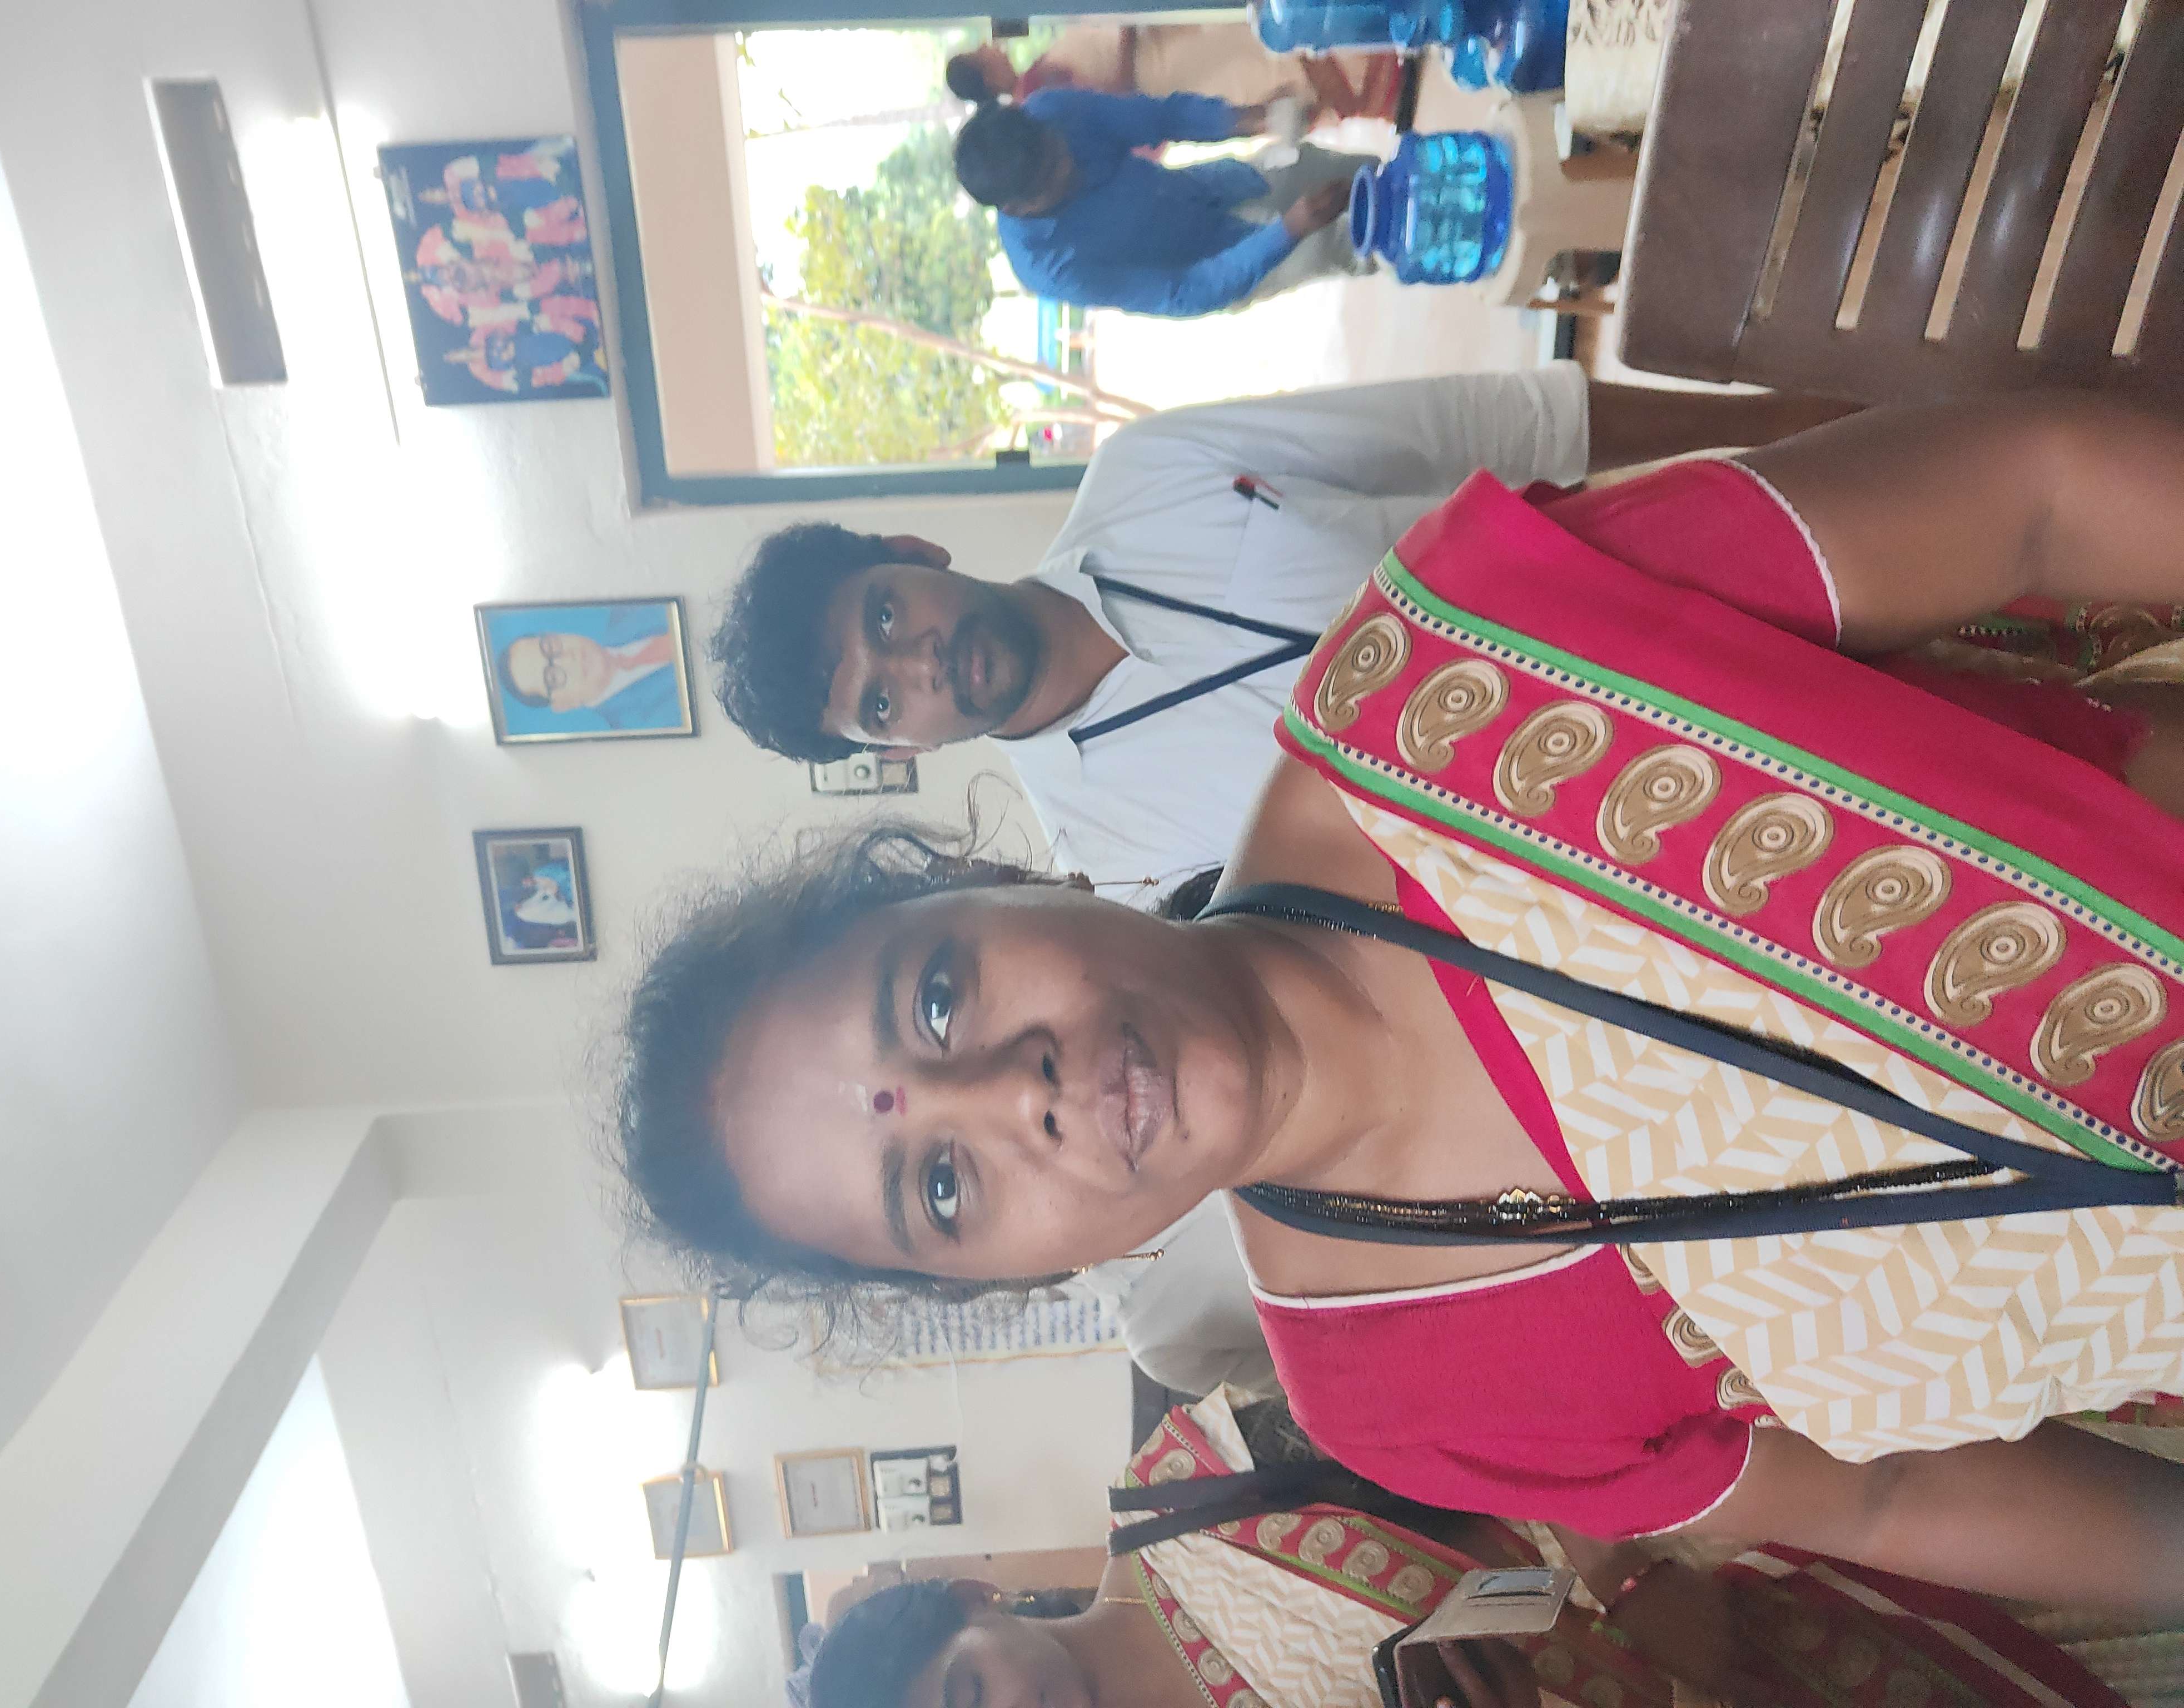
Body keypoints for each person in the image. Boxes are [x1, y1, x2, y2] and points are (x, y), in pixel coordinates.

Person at [626, 393, 2184, 1612]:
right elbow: (1889, 1494)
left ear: (994, 876)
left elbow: (2032, 496)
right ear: (1013, 1276)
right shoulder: (1400, 1394)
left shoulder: (1456, 673)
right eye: (940, 1186)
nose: (1011, 1091)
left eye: (936, 997)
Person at [709, 373, 1858, 894]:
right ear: (897, 749)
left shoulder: (1144, 474)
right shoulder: (1113, 863)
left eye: (883, 615)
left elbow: (1483, 422)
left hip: (1699, 568)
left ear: (911, 554)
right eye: (878, 703)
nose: (914, 664)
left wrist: (1801, 417)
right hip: (1675, 822)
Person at [806, 1387, 2151, 1708]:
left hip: (1795, 1559)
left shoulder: (1187, 1490)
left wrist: (1624, 1580)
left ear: (973, 1596)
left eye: (966, 1690)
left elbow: (1490, 1405)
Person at [953, 91, 1377, 317]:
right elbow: (1182, 291)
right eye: (1052, 176)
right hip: (1224, 263)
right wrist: (1290, 230)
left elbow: (1161, 117)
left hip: (1212, 188)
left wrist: (1256, 119)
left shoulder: (1051, 111)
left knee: (1335, 168)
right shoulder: (1049, 266)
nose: (1068, 164)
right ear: (1017, 208)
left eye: (1057, 148)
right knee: (1337, 245)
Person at [947, 28, 1399, 126]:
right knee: (1269, 63)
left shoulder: (1035, 83)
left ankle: (1375, 73)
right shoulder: (1037, 95)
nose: (992, 47)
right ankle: (1375, 89)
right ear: (986, 77)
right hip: (1163, 73)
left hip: (1163, 51)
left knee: (1262, 52)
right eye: (981, 54)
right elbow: (1115, 105)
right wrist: (1126, 30)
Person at [500, 622, 683, 729]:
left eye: (550, 647)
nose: (568, 659)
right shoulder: (646, 727)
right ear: (564, 705)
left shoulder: (629, 613)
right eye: (553, 678)